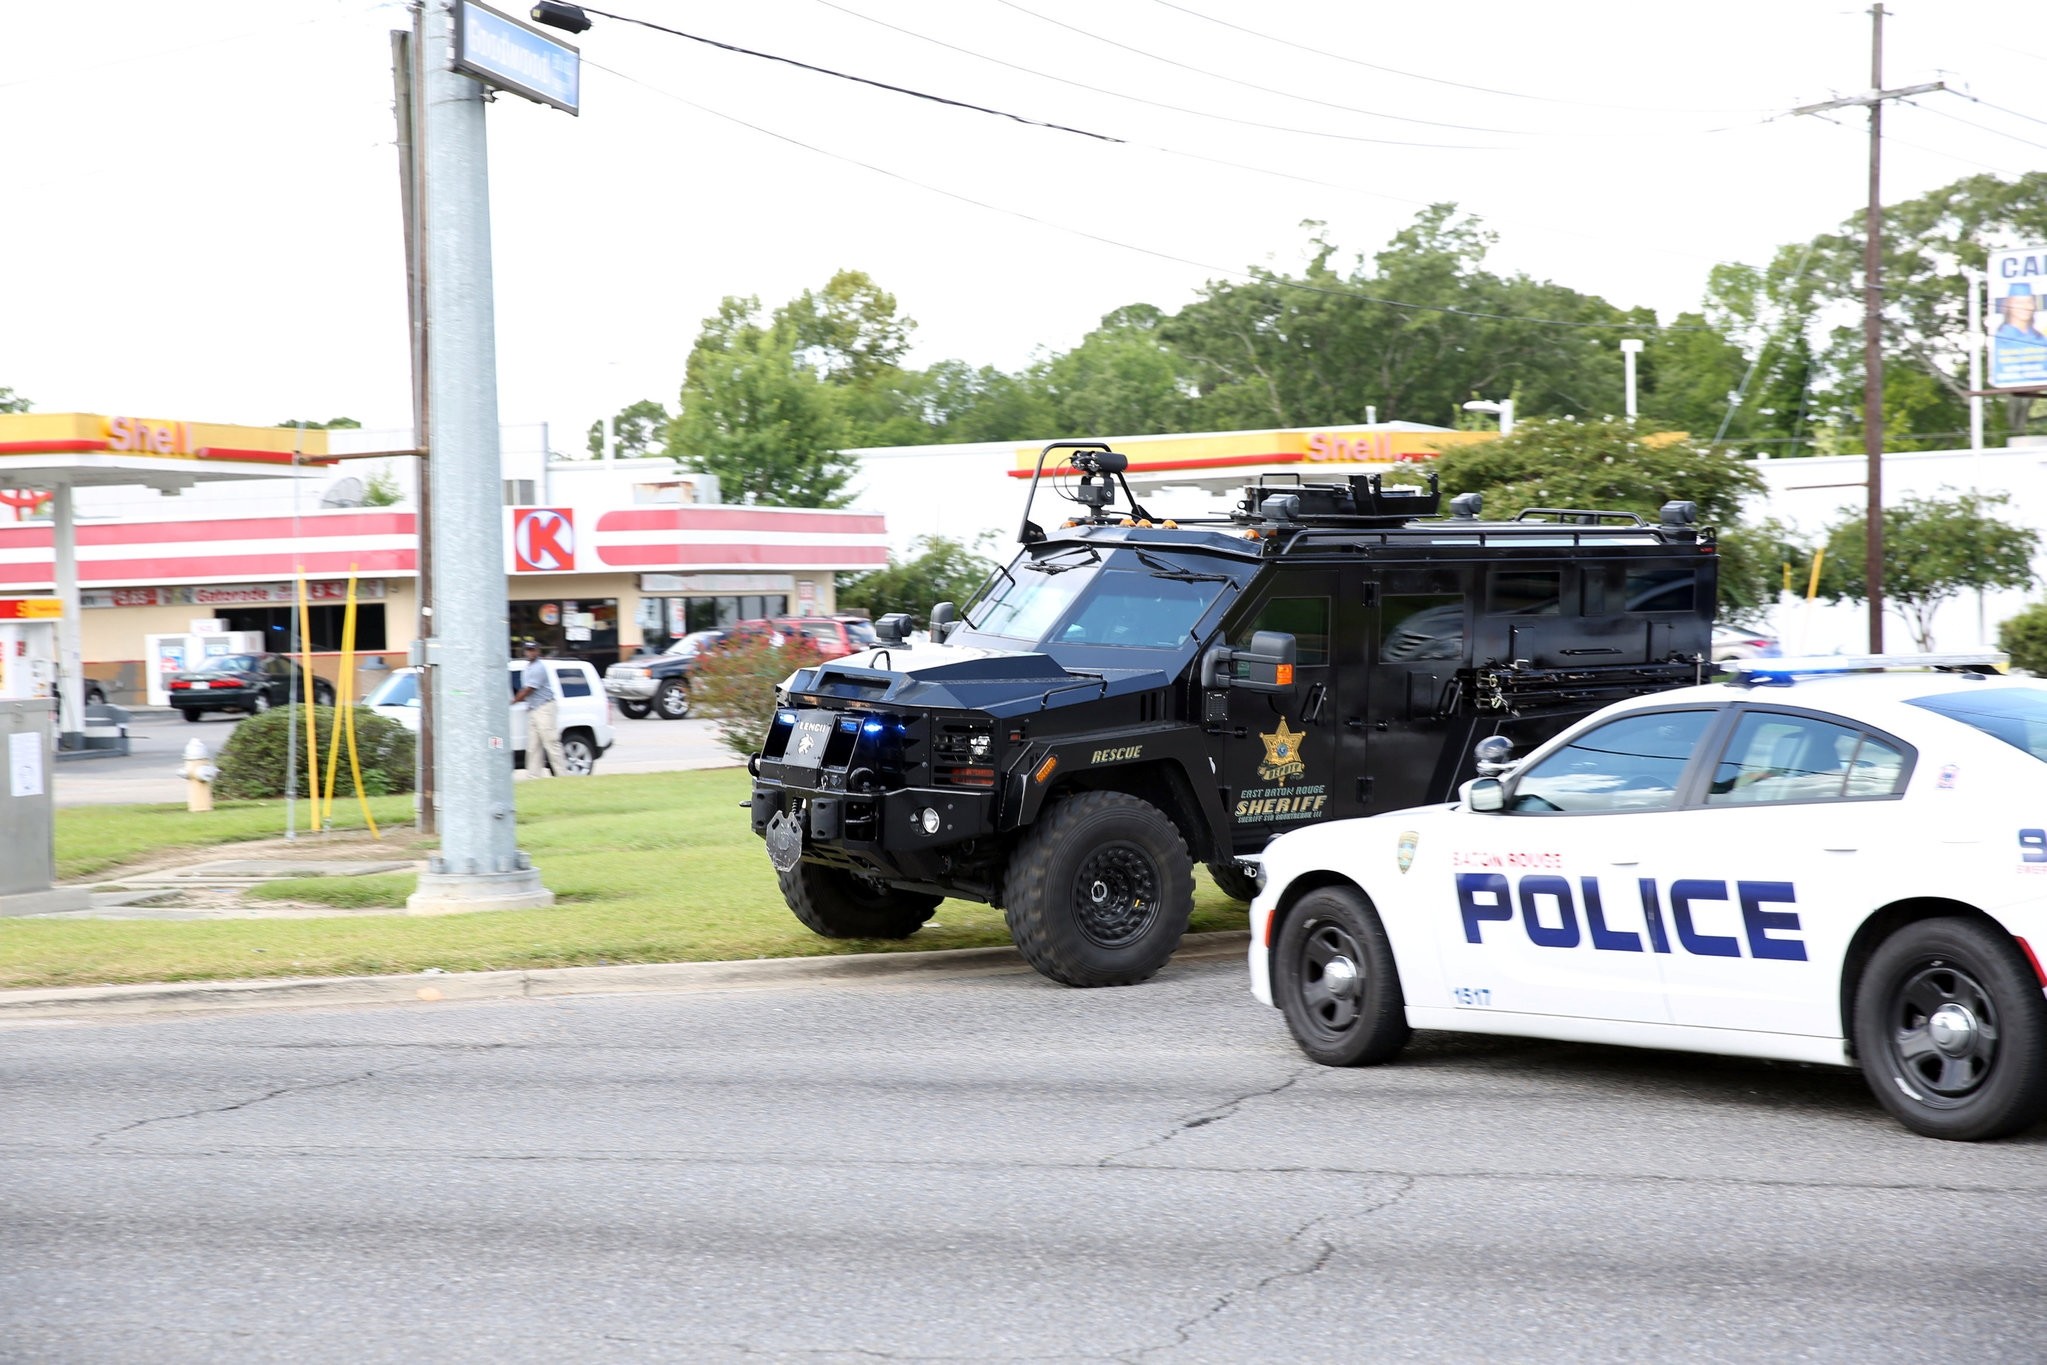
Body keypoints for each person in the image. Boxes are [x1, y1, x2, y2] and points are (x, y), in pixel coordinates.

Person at [511, 640, 571, 777]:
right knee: (533, 746)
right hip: (534, 708)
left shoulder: (539, 667)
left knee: (551, 742)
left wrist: (513, 701)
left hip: (545, 708)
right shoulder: (527, 668)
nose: (530, 652)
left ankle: (563, 775)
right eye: (528, 650)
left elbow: (528, 690)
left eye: (533, 650)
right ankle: (534, 777)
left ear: (538, 651)